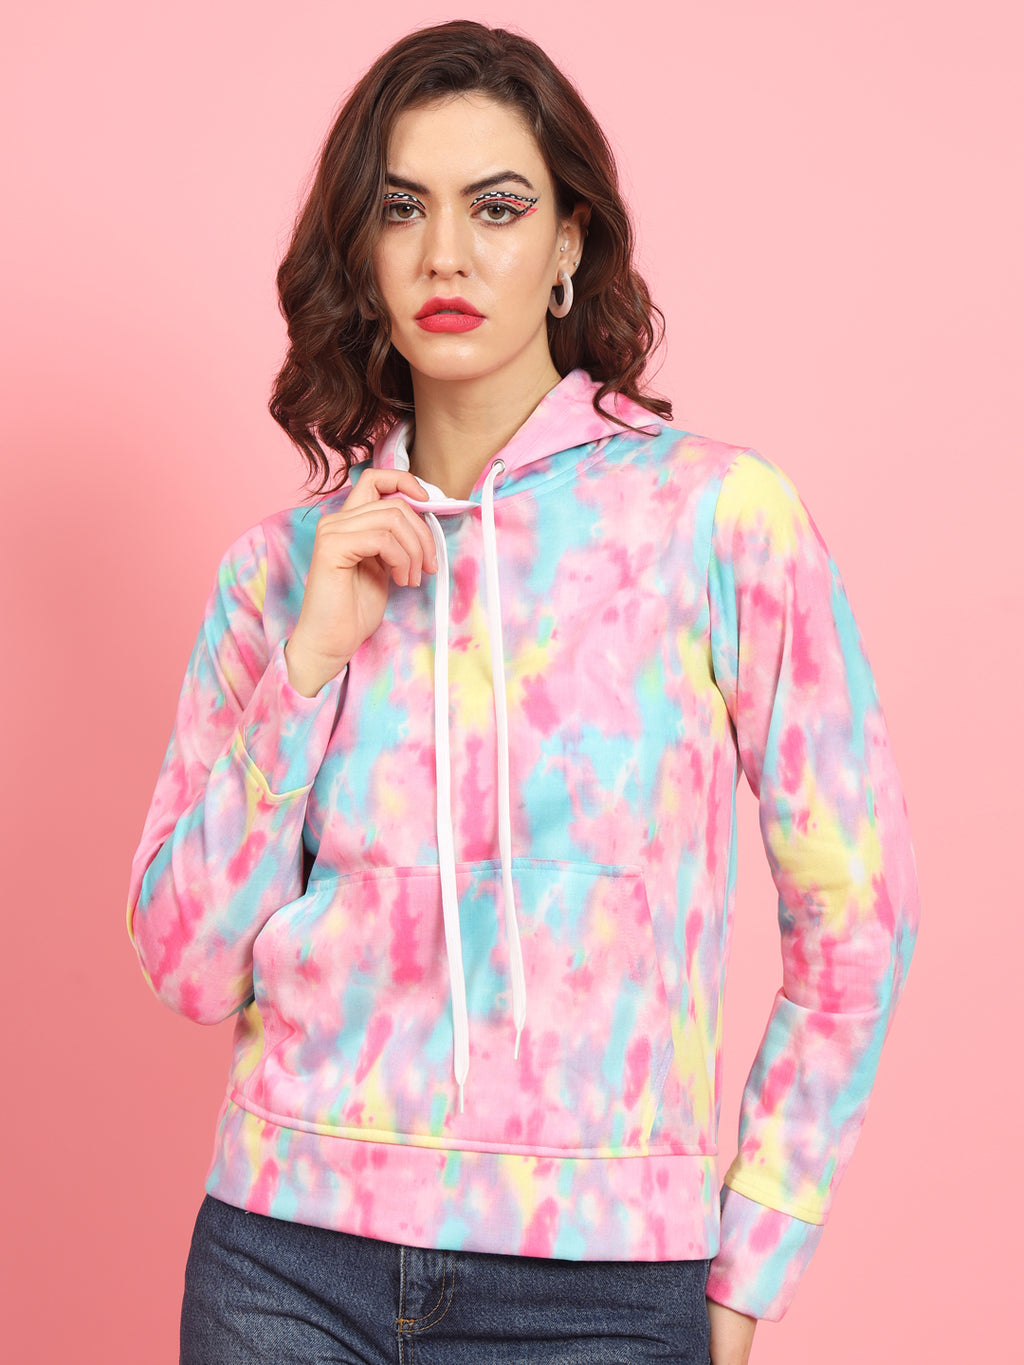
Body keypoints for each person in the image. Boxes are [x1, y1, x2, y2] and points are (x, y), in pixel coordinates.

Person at [127, 20, 919, 1365]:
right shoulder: (282, 572)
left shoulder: (714, 518)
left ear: (567, 246)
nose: (446, 253)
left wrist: (754, 1254)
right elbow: (188, 965)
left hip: (600, 1284)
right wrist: (308, 668)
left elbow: (859, 909)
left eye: (496, 208)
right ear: (361, 254)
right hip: (284, 1264)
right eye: (403, 209)